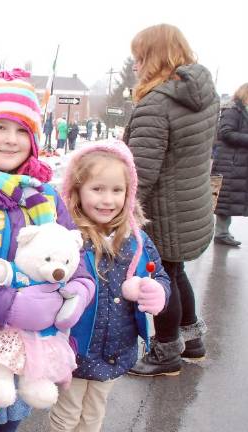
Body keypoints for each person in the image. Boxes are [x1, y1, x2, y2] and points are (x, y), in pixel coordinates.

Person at [0, 69, 95, 432]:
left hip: (28, 356)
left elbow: (75, 258)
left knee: (10, 424)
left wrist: (80, 293)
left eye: (22, 130)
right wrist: (10, 306)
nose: (11, 139)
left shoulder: (47, 197)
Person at [49, 142, 170, 432]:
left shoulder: (136, 240)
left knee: (94, 414)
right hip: (74, 349)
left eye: (117, 191)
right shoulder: (66, 238)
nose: (108, 200)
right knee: (67, 414)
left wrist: (158, 292)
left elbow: (161, 275)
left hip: (116, 349)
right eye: (97, 189)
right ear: (77, 191)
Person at [124, 23, 219, 376]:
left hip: (163, 211)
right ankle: (191, 341)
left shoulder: (156, 104)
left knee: (161, 277)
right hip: (192, 205)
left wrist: (124, 213)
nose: (134, 65)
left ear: (154, 57)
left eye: (139, 57)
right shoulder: (204, 97)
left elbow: (141, 173)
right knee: (176, 272)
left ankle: (166, 353)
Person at [211, 82, 248, 247]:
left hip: (237, 162)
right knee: (224, 199)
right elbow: (225, 133)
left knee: (229, 199)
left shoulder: (241, 111)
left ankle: (223, 233)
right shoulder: (233, 110)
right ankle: (221, 233)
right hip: (229, 162)